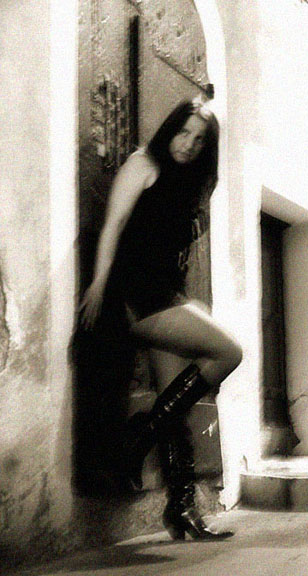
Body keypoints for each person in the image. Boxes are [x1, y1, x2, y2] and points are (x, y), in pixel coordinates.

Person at [80, 98, 242, 541]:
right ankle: (138, 439)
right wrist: (99, 284)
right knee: (229, 352)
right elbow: (113, 225)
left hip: (165, 294)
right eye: (183, 132)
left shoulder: (187, 183)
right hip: (136, 294)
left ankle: (182, 508)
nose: (188, 144)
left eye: (199, 139)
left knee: (176, 407)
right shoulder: (142, 164)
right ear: (169, 129)